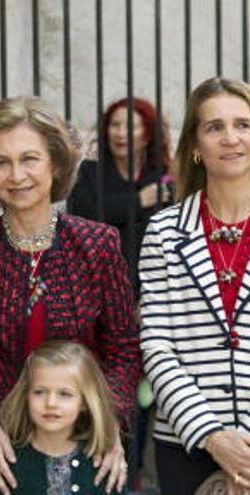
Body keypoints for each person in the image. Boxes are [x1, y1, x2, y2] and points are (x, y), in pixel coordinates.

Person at [0, 96, 140, 495]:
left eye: (30, 159)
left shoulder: (98, 245)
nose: (16, 174)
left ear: (56, 164)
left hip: (85, 450)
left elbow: (124, 349)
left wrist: (109, 423)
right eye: (2, 161)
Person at [139, 77, 250, 495]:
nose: (231, 138)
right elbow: (155, 344)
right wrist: (212, 434)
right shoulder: (165, 230)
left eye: (243, 124)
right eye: (214, 127)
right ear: (194, 146)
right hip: (186, 444)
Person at [68, 97, 173, 289]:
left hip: (151, 289)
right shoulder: (90, 172)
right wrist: (138, 201)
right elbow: (84, 218)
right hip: (97, 284)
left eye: (131, 127)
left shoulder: (163, 179)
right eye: (115, 125)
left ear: (148, 134)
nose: (121, 134)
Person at [0, 340, 125, 495]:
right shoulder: (6, 461)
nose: (51, 403)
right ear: (26, 396)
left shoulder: (104, 463)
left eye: (65, 394)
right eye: (39, 392)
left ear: (84, 402)